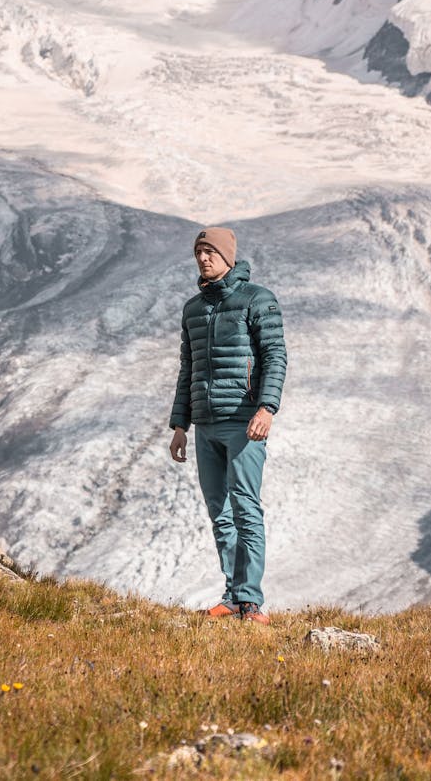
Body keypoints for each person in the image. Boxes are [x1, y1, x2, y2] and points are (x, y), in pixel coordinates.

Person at [169, 226, 287, 624]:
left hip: (245, 423)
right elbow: (188, 368)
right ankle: (233, 597)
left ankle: (251, 601)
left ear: (228, 257)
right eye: (198, 252)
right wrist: (179, 425)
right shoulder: (193, 309)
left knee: (246, 509)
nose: (203, 258)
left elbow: (275, 356)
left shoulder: (258, 300)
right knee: (219, 512)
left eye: (210, 252)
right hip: (204, 424)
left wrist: (266, 408)